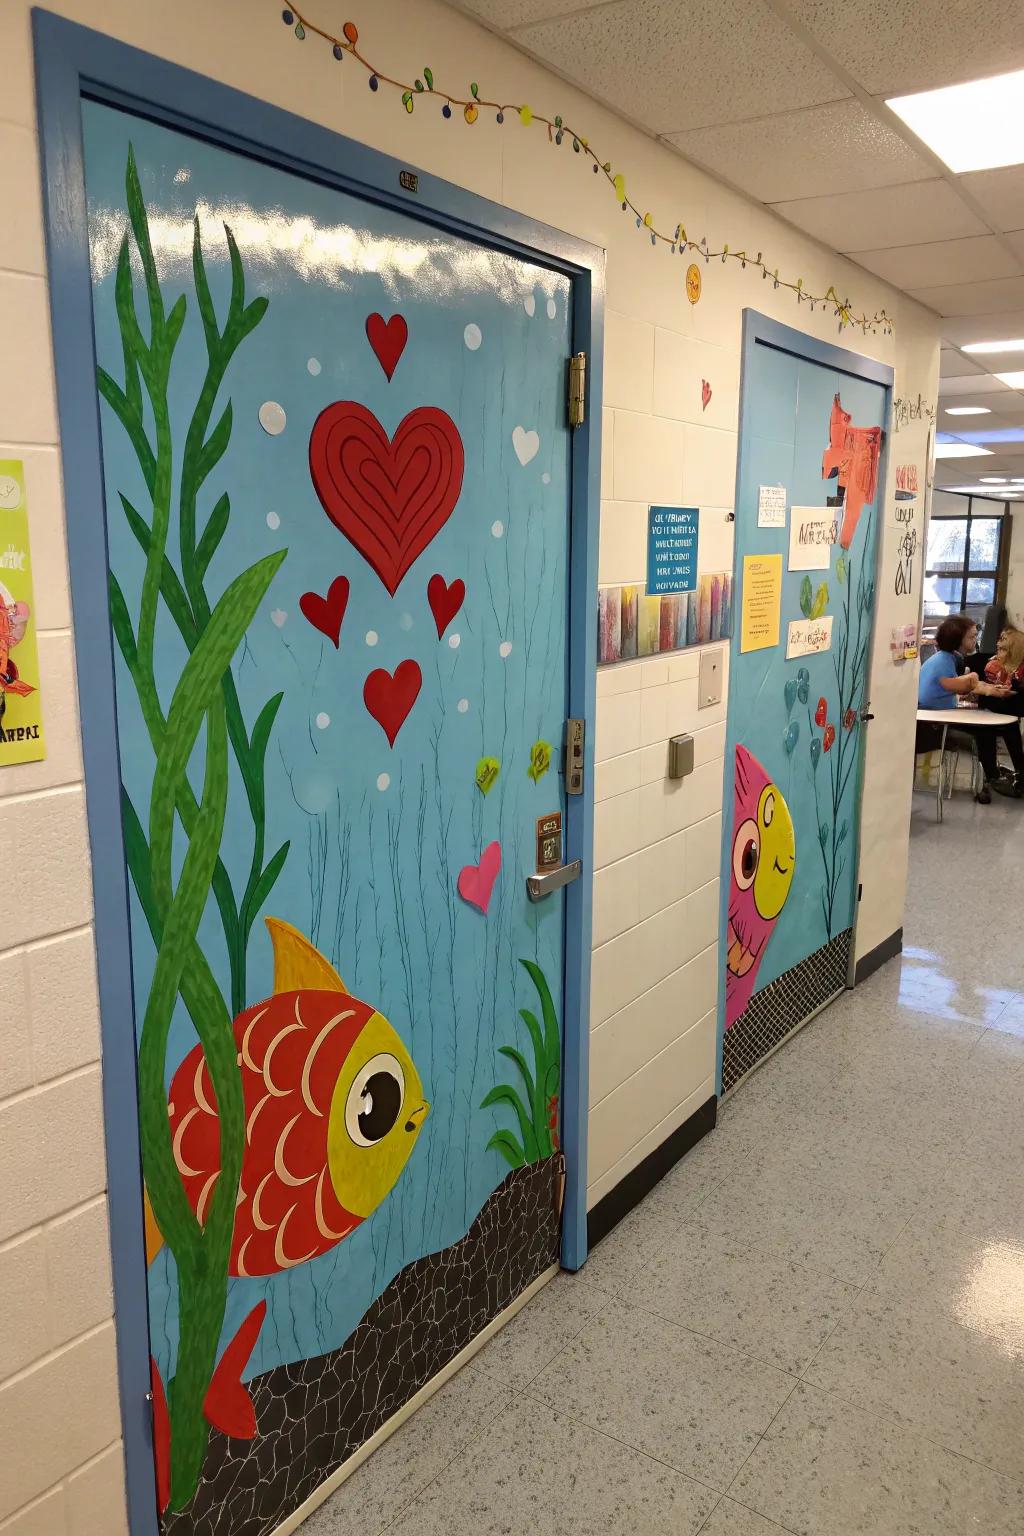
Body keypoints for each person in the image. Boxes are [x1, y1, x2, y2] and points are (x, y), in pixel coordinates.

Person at [917, 614, 1024, 802]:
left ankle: (1001, 774)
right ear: (958, 639)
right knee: (987, 731)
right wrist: (979, 682)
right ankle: (992, 776)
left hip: (941, 714)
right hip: (933, 723)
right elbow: (963, 685)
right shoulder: (944, 661)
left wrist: (987, 687)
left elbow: (968, 685)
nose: (976, 640)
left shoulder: (950, 658)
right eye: (971, 637)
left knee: (1001, 726)